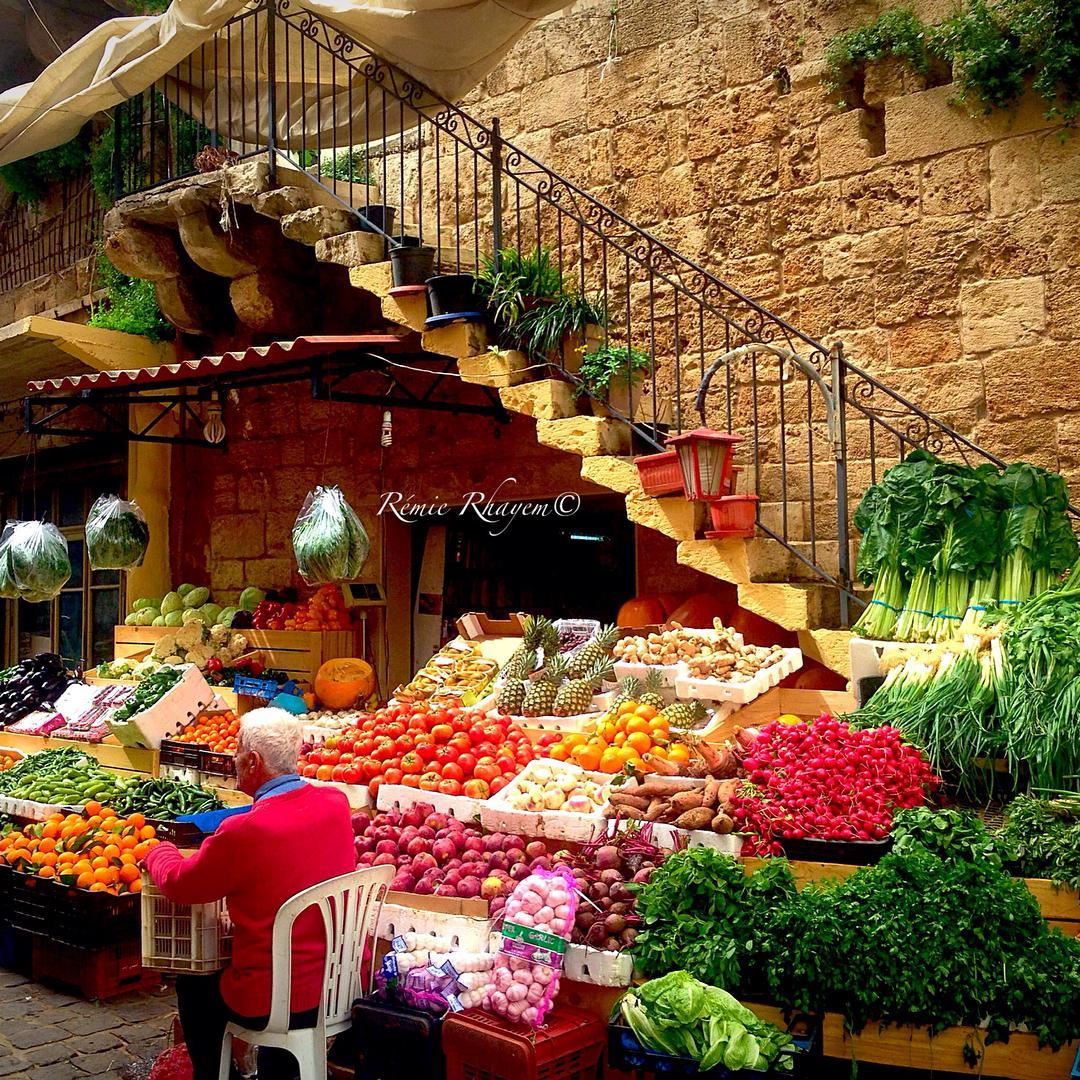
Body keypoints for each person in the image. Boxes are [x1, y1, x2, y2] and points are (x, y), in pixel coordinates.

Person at [145, 707, 356, 1080]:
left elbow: (181, 884)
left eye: (237, 751)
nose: (233, 759)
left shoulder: (244, 831)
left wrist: (158, 850)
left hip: (270, 999)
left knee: (193, 984)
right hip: (334, 986)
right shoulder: (336, 804)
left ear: (253, 761)